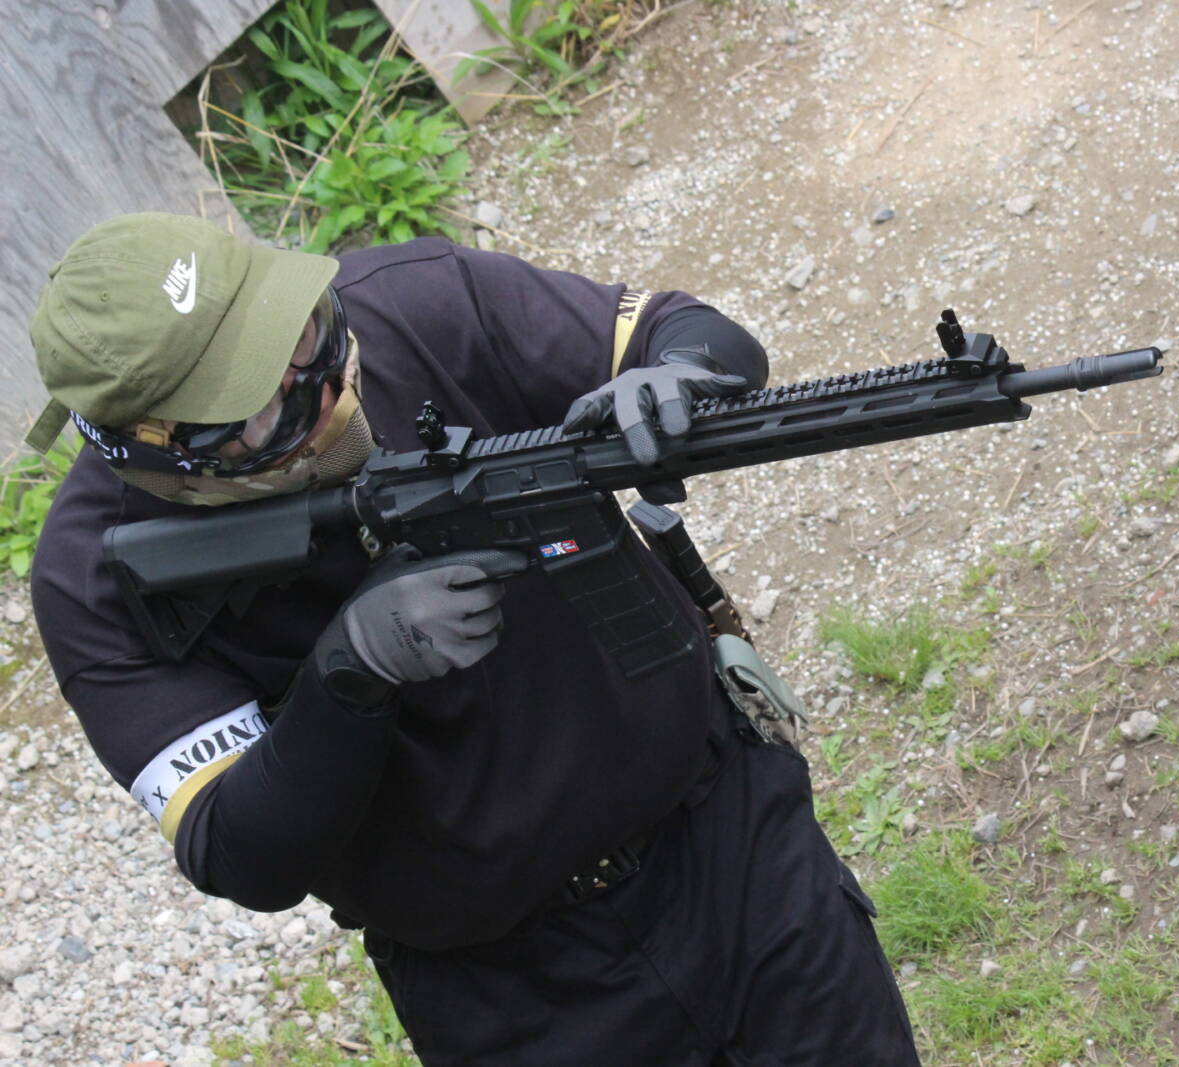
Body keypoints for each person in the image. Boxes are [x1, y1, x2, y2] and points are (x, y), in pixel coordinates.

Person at [26, 213, 920, 1065]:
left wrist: (681, 375)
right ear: (158, 451)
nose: (327, 392)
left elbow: (680, 329)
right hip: (513, 994)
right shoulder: (93, 580)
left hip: (730, 843)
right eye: (261, 409)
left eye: (306, 334)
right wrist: (347, 674)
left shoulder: (415, 299)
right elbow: (240, 852)